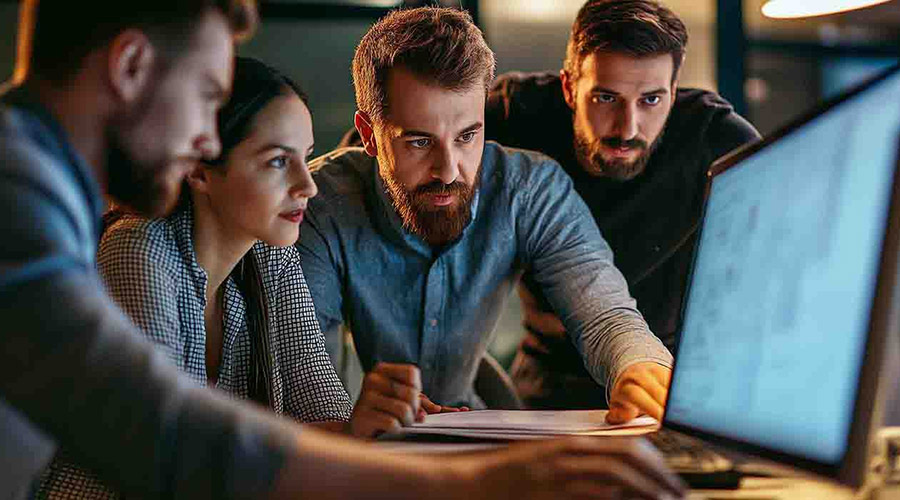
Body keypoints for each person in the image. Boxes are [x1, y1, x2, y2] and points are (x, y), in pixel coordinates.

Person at [0, 2, 685, 498]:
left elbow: (311, 416)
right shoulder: (31, 198)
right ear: (129, 66)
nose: (207, 139)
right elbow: (168, 436)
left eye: (467, 136)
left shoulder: (252, 251)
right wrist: (473, 483)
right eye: (208, 96)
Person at [297, 6, 673, 425]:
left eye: (467, 136)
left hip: (482, 430)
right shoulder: (317, 204)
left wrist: (639, 367)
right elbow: (303, 373)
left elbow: (605, 313)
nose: (449, 170)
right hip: (364, 445)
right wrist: (349, 424)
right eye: (420, 142)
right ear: (369, 134)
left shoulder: (530, 189)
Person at [485, 0, 762, 410]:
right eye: (605, 98)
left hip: (665, 378)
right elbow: (365, 166)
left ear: (674, 92)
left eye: (651, 100)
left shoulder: (714, 140)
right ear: (568, 88)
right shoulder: (510, 120)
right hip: (548, 375)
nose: (627, 128)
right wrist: (347, 411)